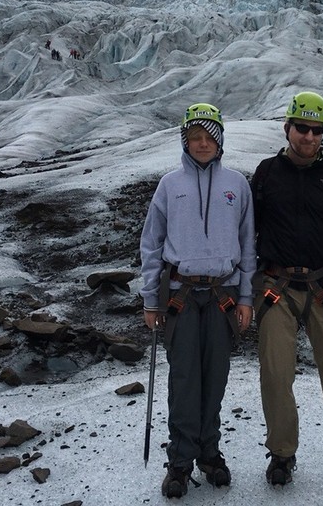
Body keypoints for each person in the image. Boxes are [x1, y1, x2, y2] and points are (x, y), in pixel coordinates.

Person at [251, 90, 323, 489]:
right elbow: (247, 233)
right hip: (277, 287)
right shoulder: (267, 173)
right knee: (275, 372)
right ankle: (282, 452)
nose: (308, 136)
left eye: (316, 129)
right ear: (287, 127)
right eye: (301, 127)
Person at [139, 103, 256, 499]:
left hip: (223, 294)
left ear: (220, 140)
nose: (203, 144)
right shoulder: (169, 185)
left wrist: (246, 297)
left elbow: (247, 244)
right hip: (181, 296)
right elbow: (151, 245)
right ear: (185, 141)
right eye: (195, 138)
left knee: (216, 377)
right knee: (185, 378)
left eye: (209, 137)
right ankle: (181, 461)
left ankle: (210, 453)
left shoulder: (237, 185)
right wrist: (150, 302)